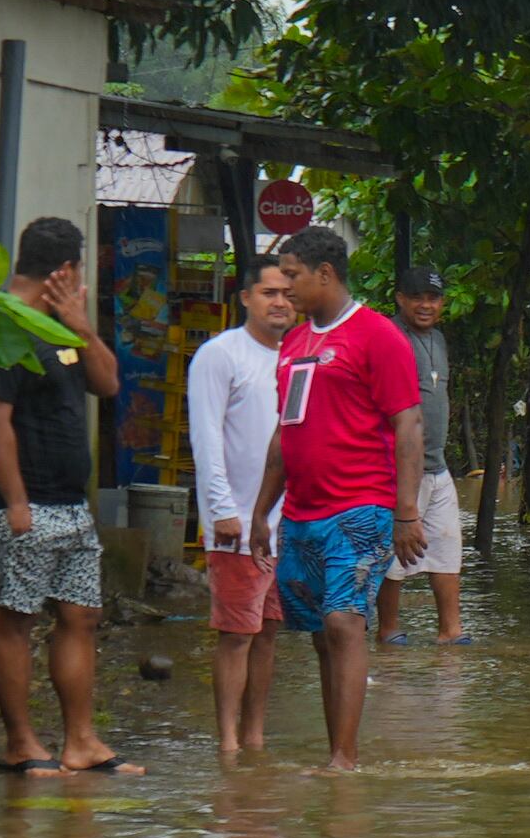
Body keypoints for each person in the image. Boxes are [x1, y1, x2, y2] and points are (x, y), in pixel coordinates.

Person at [237, 226, 429, 772]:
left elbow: (408, 425)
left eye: (292, 276)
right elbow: (285, 432)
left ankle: (345, 760)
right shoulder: (296, 342)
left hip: (362, 504)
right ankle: (335, 752)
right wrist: (260, 512)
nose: (284, 288)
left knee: (344, 621)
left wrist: (406, 511)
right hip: (301, 511)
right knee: (322, 634)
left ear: (325, 274)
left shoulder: (377, 335)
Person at [0, 217, 123, 776]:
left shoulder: (60, 326)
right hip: (21, 506)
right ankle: (20, 743)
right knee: (16, 617)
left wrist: (80, 324)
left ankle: (80, 741)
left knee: (81, 615)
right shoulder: (1, 328)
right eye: (79, 271)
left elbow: (107, 385)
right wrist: (15, 504)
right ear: (65, 270)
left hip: (70, 504)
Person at [184, 260, 297, 759]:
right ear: (245, 297)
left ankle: (255, 736)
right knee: (236, 633)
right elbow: (205, 437)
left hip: (286, 521)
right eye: (269, 292)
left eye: (288, 294)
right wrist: (221, 511)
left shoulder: (298, 356)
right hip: (234, 523)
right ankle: (228, 742)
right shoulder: (219, 355)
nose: (280, 302)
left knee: (269, 631)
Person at [375, 269, 467, 645]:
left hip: (438, 465)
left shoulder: (440, 341)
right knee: (394, 555)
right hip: (398, 467)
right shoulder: (389, 337)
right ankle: (388, 631)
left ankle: (451, 632)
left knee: (446, 545)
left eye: (433, 298)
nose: (426, 305)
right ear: (400, 299)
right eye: (417, 297)